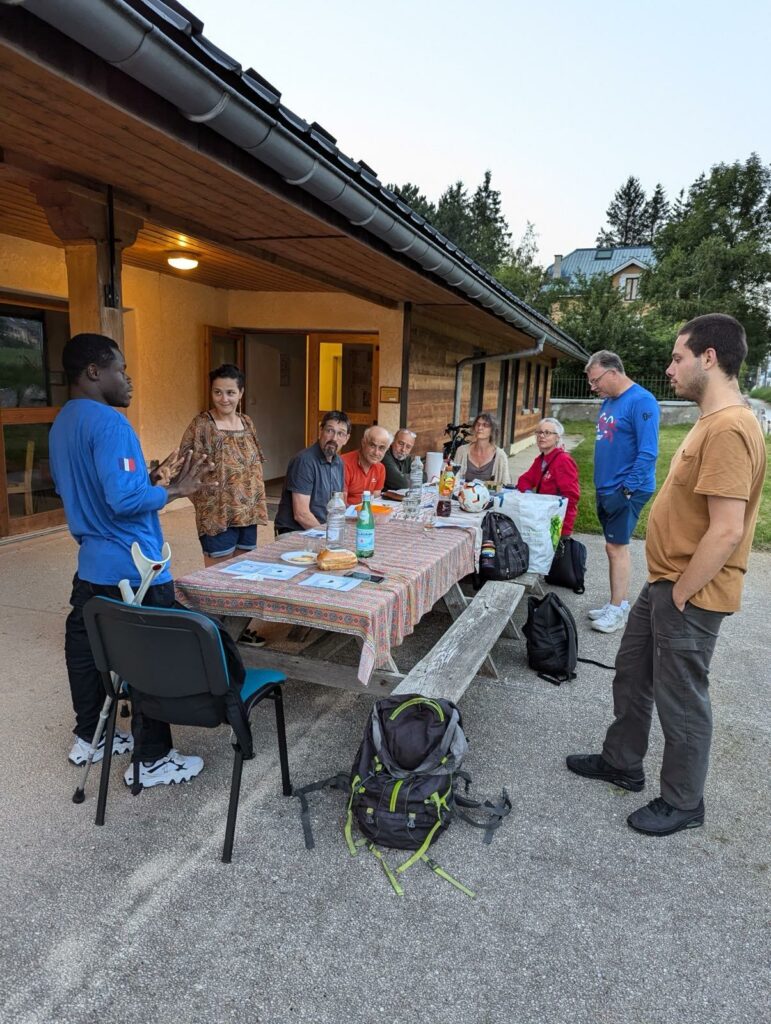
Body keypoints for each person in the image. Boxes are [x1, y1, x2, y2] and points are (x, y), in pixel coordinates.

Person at [567, 314, 766, 836]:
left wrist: (679, 592)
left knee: (682, 699)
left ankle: (683, 802)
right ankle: (621, 762)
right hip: (665, 583)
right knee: (633, 674)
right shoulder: (708, 420)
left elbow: (725, 530)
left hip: (690, 592)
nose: (668, 366)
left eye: (678, 356)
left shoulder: (729, 427)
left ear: (709, 357)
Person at [50, 333, 212, 788]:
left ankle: (92, 737)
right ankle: (153, 758)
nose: (129, 379)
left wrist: (149, 476)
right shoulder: (111, 424)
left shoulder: (63, 422)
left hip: (92, 567)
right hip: (134, 569)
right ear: (94, 372)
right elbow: (122, 500)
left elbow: (82, 490)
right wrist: (174, 489)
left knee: (84, 649)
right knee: (150, 660)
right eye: (121, 369)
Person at [179, 364, 268, 646]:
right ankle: (215, 638)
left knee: (244, 574)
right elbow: (184, 466)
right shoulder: (202, 425)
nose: (224, 398)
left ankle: (238, 633)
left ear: (240, 393)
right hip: (217, 512)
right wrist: (204, 501)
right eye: (218, 392)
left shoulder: (248, 422)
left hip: (248, 511)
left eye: (230, 392)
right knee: (218, 577)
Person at [585, 351, 659, 634]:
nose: (593, 387)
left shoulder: (642, 401)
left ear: (613, 372)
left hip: (627, 489)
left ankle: (618, 609)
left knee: (617, 547)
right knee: (611, 546)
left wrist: (626, 490)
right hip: (608, 487)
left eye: (596, 381)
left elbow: (649, 453)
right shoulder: (609, 400)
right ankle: (616, 601)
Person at [274, 410, 351, 533]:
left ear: (346, 439)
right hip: (295, 531)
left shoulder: (339, 463)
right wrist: (328, 536)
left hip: (322, 529)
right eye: (329, 430)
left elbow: (338, 503)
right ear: (321, 431)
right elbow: (301, 514)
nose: (334, 438)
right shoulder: (304, 461)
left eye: (340, 434)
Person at [516, 417, 580, 536]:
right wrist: (529, 494)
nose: (541, 436)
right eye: (539, 432)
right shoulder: (541, 460)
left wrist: (559, 526)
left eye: (547, 433)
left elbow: (571, 497)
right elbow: (524, 480)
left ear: (557, 438)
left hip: (557, 523)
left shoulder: (563, 461)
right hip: (542, 519)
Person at [454, 412, 511, 487]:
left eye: (485, 425)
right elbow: (453, 479)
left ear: (492, 430)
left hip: (490, 497)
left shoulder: (500, 456)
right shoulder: (461, 451)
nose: (480, 428)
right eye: (478, 424)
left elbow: (506, 485)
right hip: (464, 496)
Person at [342, 426, 391, 505]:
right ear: (363, 443)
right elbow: (341, 502)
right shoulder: (344, 463)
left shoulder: (380, 468)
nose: (376, 452)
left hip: (367, 512)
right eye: (372, 445)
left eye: (382, 448)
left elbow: (375, 500)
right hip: (348, 513)